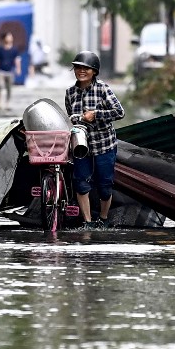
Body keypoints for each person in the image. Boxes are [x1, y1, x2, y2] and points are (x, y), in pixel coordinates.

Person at [65, 50, 124, 229]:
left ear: (94, 71)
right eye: (78, 68)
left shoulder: (103, 89)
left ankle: (104, 219)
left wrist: (96, 115)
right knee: (81, 183)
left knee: (105, 185)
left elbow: (119, 112)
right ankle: (88, 222)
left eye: (86, 68)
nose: (81, 71)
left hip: (104, 144)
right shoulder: (70, 93)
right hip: (80, 147)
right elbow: (69, 117)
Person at [0, 31, 22, 112]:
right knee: (0, 86)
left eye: (11, 36)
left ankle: (7, 104)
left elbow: (17, 60)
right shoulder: (0, 49)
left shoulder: (14, 49)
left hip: (10, 71)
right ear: (4, 38)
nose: (10, 38)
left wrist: (18, 69)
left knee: (9, 88)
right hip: (1, 71)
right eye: (8, 36)